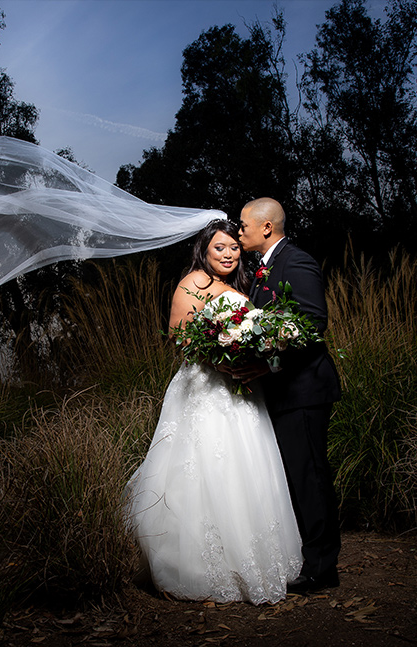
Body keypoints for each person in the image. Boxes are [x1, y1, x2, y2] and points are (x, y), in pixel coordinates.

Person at [125, 218, 303, 604]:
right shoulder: (191, 283)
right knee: (202, 466)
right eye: (219, 248)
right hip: (203, 387)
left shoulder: (239, 287)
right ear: (204, 251)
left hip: (241, 389)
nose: (227, 254)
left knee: (246, 466)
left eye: (233, 248)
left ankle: (251, 558)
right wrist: (218, 360)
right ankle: (195, 566)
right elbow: (178, 337)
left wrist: (255, 354)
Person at [234, 197, 342, 594]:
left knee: (310, 477)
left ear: (266, 227)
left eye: (244, 225)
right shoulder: (263, 269)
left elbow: (313, 323)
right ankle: (307, 557)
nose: (239, 231)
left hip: (304, 389)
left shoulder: (294, 260)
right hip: (284, 391)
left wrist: (267, 365)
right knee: (296, 477)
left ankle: (322, 568)